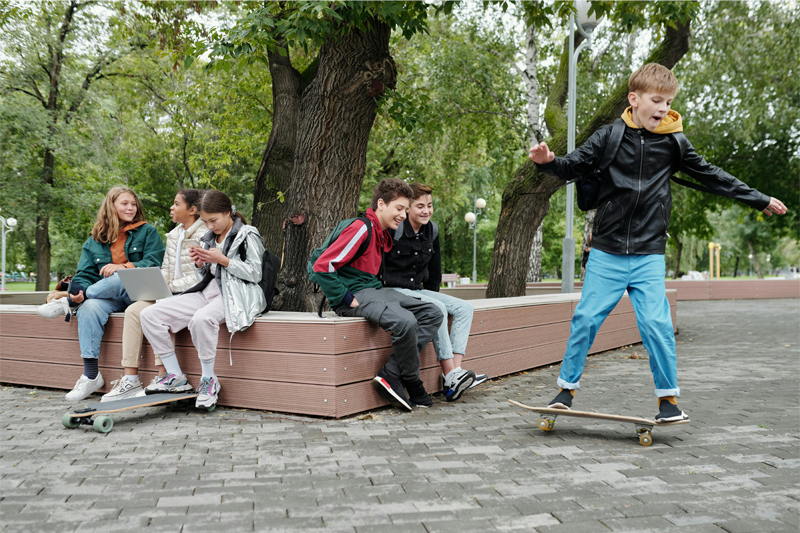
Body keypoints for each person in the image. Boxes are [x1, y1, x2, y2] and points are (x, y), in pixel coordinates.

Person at [529, 63, 787, 422]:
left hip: (649, 252)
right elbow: (575, 165)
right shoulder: (609, 136)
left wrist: (756, 198)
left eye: (668, 102)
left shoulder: (674, 143)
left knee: (657, 326)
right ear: (634, 99)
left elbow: (713, 176)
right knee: (586, 319)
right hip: (607, 250)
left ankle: (668, 401)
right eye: (657, 100)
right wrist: (549, 161)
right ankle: (565, 391)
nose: (664, 108)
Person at [312, 178, 443, 412]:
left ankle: (391, 372)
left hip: (374, 291)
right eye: (399, 209)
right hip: (356, 294)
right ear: (381, 204)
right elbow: (323, 265)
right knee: (405, 321)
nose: (403, 215)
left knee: (432, 312)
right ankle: (412, 382)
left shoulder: (380, 232)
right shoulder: (361, 227)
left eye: (405, 209)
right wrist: (343, 297)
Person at [139, 190, 266, 409]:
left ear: (228, 212)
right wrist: (200, 265)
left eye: (213, 220)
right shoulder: (208, 238)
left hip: (235, 295)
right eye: (205, 221)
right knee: (149, 314)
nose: (209, 226)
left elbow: (256, 274)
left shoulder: (248, 234)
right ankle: (175, 376)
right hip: (207, 292)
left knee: (201, 319)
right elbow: (206, 276)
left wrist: (224, 260)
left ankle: (209, 380)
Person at [37, 186, 165, 401]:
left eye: (133, 204)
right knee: (89, 306)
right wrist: (79, 291)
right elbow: (84, 273)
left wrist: (125, 266)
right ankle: (91, 376)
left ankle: (70, 302)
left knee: (119, 275)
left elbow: (154, 263)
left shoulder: (147, 232)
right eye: (125, 203)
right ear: (111, 206)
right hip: (109, 296)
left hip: (140, 293)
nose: (131, 208)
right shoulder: (95, 239)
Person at [381, 182, 488, 402]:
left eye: (429, 205)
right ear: (407, 208)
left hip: (418, 290)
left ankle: (453, 375)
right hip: (393, 289)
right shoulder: (396, 229)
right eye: (420, 206)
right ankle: (451, 375)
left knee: (464, 307)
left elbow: (434, 272)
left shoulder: (433, 229)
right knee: (436, 308)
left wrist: (430, 295)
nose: (426, 210)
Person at [99, 189, 207, 402]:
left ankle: (164, 376)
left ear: (192, 210)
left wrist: (170, 288)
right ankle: (130, 379)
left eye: (176, 204)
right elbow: (166, 268)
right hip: (169, 291)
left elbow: (200, 277)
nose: (171, 207)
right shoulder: (175, 233)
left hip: (191, 293)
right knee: (133, 311)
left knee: (160, 309)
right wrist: (162, 284)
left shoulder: (205, 234)